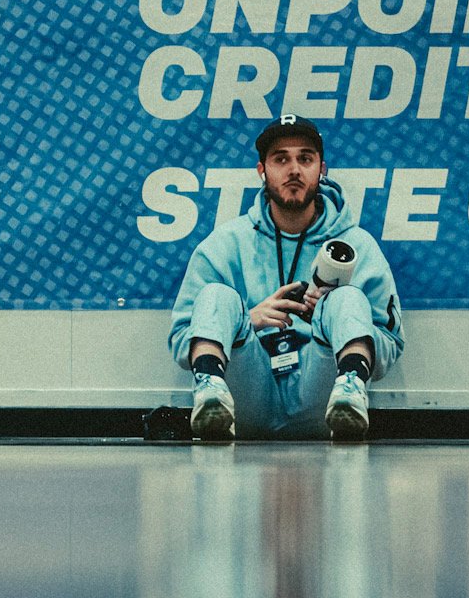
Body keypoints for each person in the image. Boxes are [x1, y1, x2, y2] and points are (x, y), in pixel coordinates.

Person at [167, 115, 404, 440]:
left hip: (321, 390)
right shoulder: (225, 243)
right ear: (262, 170)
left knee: (346, 298)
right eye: (281, 159)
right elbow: (182, 338)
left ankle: (351, 390)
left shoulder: (355, 246)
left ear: (321, 169)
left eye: (305, 159)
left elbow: (391, 341)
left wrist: (334, 322)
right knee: (217, 295)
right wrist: (247, 320)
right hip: (245, 393)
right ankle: (209, 391)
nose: (294, 170)